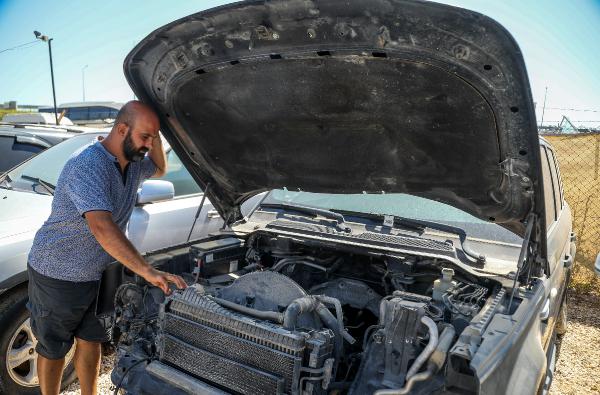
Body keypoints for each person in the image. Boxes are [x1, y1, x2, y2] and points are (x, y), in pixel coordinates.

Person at [26, 100, 187, 395]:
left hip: (98, 273)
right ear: (122, 129)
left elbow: (161, 168)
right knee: (53, 347)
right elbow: (102, 226)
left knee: (91, 339)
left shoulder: (132, 164)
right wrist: (148, 272)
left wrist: (155, 134)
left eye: (152, 139)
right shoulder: (87, 164)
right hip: (58, 272)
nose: (148, 146)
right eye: (144, 137)